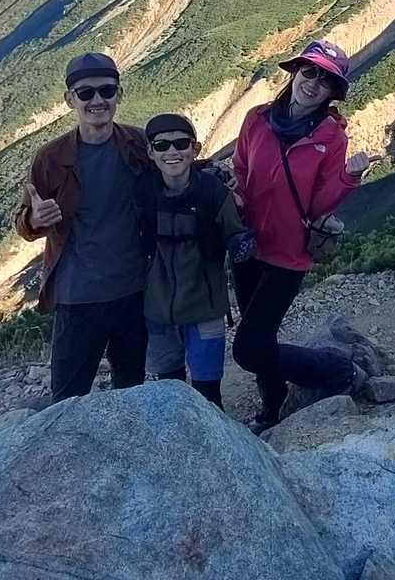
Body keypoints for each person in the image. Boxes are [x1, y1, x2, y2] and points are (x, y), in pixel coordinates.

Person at [231, 38, 381, 431]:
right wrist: (235, 196)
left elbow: (317, 205)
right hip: (248, 247)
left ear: (333, 92)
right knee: (260, 337)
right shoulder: (257, 119)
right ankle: (272, 405)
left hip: (288, 256)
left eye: (325, 80)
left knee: (248, 349)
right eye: (309, 71)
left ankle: (333, 368)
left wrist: (349, 176)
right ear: (295, 73)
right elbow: (241, 169)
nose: (313, 83)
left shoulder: (332, 138)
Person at [15, 52, 153, 403]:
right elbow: (24, 222)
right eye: (86, 93)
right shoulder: (50, 158)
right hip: (78, 296)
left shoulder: (138, 145)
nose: (97, 100)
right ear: (70, 100)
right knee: (67, 399)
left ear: (119, 95)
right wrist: (34, 220)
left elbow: (176, 172)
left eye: (107, 91)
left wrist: (220, 180)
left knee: (130, 393)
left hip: (133, 291)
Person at [137, 113, 254, 409]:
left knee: (208, 393)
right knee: (169, 388)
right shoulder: (142, 192)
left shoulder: (213, 192)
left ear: (195, 149)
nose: (172, 151)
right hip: (158, 310)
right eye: (162, 145)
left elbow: (233, 231)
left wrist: (242, 243)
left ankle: (209, 436)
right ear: (150, 152)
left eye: (181, 144)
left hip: (203, 309)